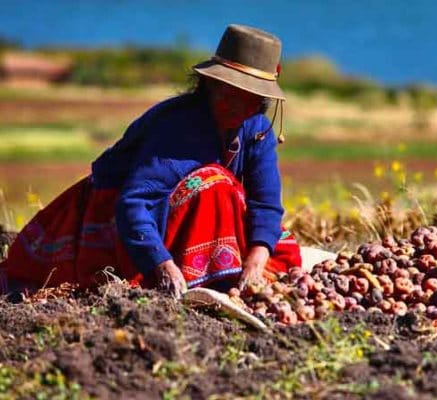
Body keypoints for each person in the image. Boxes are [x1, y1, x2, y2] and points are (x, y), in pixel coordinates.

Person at [0, 24, 302, 299]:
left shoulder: (257, 129)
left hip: (179, 217)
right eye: (230, 94)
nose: (238, 106)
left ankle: (224, 271)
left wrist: (257, 257)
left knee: (274, 240)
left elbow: (265, 203)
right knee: (216, 184)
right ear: (210, 86)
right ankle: (208, 276)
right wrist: (161, 264)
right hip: (119, 220)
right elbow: (133, 203)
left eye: (250, 97)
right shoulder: (178, 126)